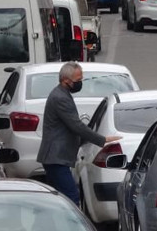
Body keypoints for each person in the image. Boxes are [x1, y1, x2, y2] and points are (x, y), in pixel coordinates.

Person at [36, 63, 122, 204]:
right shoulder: (60, 98)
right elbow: (76, 125)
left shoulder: (62, 94)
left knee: (55, 200)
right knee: (71, 198)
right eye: (78, 81)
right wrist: (102, 139)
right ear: (66, 80)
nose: (80, 83)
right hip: (56, 158)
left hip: (55, 158)